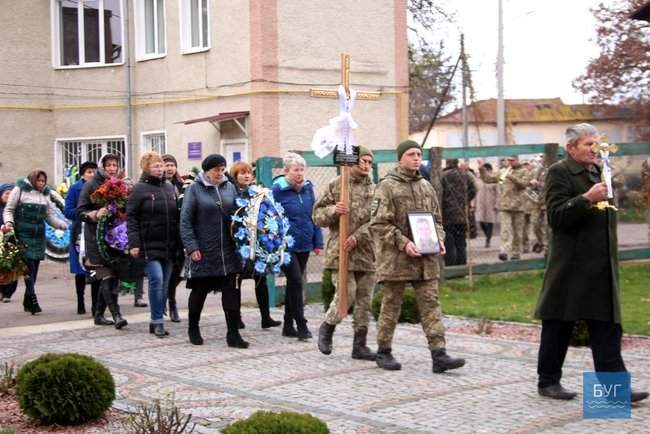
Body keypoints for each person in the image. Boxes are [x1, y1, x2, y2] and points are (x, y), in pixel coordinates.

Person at [535, 123, 648, 403]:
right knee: (559, 324)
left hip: (600, 266)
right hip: (571, 267)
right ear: (570, 148)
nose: (594, 149)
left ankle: (614, 391)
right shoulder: (559, 172)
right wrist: (586, 198)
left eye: (596, 144)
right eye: (588, 144)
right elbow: (556, 217)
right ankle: (548, 381)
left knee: (607, 327)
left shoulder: (598, 171)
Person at [371, 140, 465, 373]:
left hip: (426, 259)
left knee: (431, 305)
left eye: (418, 154)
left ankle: (439, 354)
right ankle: (384, 351)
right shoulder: (387, 187)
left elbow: (437, 220)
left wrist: (439, 239)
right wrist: (404, 244)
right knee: (391, 305)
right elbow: (379, 224)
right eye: (411, 154)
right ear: (400, 158)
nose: (416, 158)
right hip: (397, 259)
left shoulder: (427, 186)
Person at [314, 146, 376, 360]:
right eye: (362, 161)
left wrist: (359, 236)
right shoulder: (336, 185)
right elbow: (317, 215)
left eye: (369, 162)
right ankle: (327, 327)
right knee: (346, 294)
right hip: (340, 252)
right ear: (352, 162)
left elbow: (377, 220)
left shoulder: (376, 190)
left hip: (367, 252)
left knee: (364, 300)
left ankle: (360, 345)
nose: (366, 165)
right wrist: (334, 210)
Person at [180, 154, 247, 348]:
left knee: (231, 292)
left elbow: (238, 215)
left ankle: (233, 334)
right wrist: (192, 247)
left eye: (222, 169)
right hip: (204, 249)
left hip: (227, 250)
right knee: (199, 291)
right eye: (216, 169)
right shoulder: (194, 189)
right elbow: (185, 221)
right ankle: (193, 328)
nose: (220, 173)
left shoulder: (230, 187)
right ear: (206, 171)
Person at [127, 152, 179, 338]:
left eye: (161, 165)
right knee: (156, 279)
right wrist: (134, 243)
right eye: (155, 166)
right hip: (148, 244)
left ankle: (156, 317)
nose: (160, 169)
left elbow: (176, 215)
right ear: (146, 168)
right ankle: (157, 321)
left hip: (169, 244)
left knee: (165, 284)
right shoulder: (139, 189)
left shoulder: (169, 187)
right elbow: (131, 217)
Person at [272, 152, 323, 341]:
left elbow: (314, 216)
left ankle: (287, 325)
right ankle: (301, 324)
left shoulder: (308, 189)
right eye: (296, 170)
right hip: (286, 245)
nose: (300, 173)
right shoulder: (278, 189)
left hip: (305, 242)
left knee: (294, 284)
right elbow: (270, 216)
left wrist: (317, 242)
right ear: (286, 171)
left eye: (302, 169)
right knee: (296, 280)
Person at [3, 170, 68, 314]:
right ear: (33, 180)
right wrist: (9, 223)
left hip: (38, 235)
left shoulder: (45, 194)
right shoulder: (19, 190)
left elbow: (49, 216)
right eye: (39, 181)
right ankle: (33, 299)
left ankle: (27, 300)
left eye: (43, 181)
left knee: (35, 269)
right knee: (28, 266)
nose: (41, 184)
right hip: (22, 234)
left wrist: (60, 225)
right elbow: (9, 209)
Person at [77, 154, 128, 329]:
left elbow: (125, 206)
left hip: (116, 237)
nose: (112, 168)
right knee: (106, 275)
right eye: (109, 165)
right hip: (96, 237)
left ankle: (98, 314)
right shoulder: (91, 185)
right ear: (102, 166)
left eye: (115, 165)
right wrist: (95, 214)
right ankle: (117, 315)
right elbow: (80, 211)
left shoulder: (120, 184)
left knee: (112, 276)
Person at [230, 160, 281, 329]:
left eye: (248, 173)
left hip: (258, 243)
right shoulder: (231, 194)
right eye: (242, 173)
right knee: (236, 282)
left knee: (261, 280)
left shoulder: (258, 193)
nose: (246, 176)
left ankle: (265, 317)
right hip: (239, 244)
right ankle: (236, 317)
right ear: (235, 176)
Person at [64, 161, 100, 315]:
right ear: (83, 174)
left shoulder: (100, 187)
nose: (91, 174)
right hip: (79, 231)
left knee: (96, 268)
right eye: (88, 172)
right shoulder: (75, 188)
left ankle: (95, 306)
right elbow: (68, 211)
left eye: (94, 171)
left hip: (96, 230)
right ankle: (80, 301)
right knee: (80, 268)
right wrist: (84, 213)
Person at [479, 155, 531, 261]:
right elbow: (488, 179)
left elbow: (523, 184)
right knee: (505, 230)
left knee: (517, 231)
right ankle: (504, 251)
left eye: (512, 160)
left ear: (517, 160)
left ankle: (516, 252)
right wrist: (481, 169)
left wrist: (511, 176)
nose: (510, 162)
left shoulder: (524, 171)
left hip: (519, 206)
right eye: (509, 160)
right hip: (505, 205)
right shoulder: (504, 171)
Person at [441, 159, 476, 266]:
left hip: (447, 214)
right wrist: (466, 200)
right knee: (461, 243)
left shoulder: (442, 175)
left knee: (449, 243)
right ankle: (462, 267)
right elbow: (474, 189)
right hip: (462, 214)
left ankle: (451, 267)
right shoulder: (466, 175)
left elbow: (438, 192)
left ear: (447, 163)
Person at [162, 153, 184, 323]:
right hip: (163, 234)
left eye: (172, 165)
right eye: (166, 165)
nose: (170, 168)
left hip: (180, 235)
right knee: (164, 273)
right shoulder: (158, 185)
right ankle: (169, 303)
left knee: (177, 273)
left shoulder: (183, 185)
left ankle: (170, 300)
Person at [1, 183, 18, 302]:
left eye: (11, 194)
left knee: (12, 268)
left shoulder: (16, 210)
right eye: (6, 193)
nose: (8, 196)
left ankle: (8, 293)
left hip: (13, 242)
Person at [475, 163, 498, 248]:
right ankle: (486, 235)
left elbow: (498, 192)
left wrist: (497, 203)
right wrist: (473, 204)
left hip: (490, 203)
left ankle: (488, 239)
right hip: (480, 203)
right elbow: (475, 191)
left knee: (490, 222)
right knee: (480, 221)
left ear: (489, 170)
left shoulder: (494, 180)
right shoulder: (478, 180)